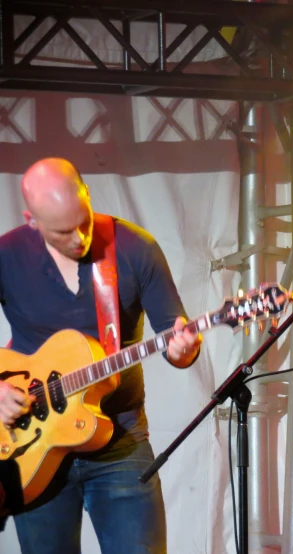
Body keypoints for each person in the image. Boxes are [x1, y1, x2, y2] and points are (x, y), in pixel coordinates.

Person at [0, 158, 202, 554]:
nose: (79, 238)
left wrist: (185, 349)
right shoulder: (7, 255)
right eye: (63, 231)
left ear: (88, 196)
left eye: (84, 220)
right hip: (31, 448)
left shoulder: (134, 247)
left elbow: (176, 340)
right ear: (32, 221)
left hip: (119, 441)